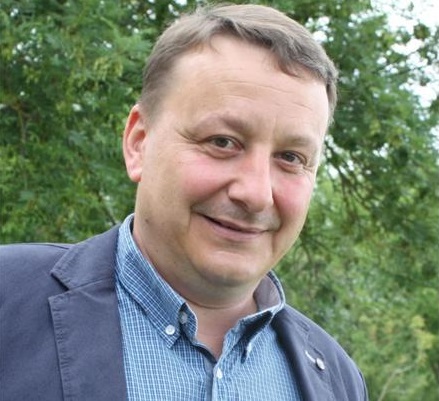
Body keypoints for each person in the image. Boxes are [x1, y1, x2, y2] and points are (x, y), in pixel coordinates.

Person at [0, 4, 368, 401]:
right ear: (138, 143)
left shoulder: (338, 380)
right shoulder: (9, 303)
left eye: (291, 157)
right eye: (222, 142)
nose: (256, 194)